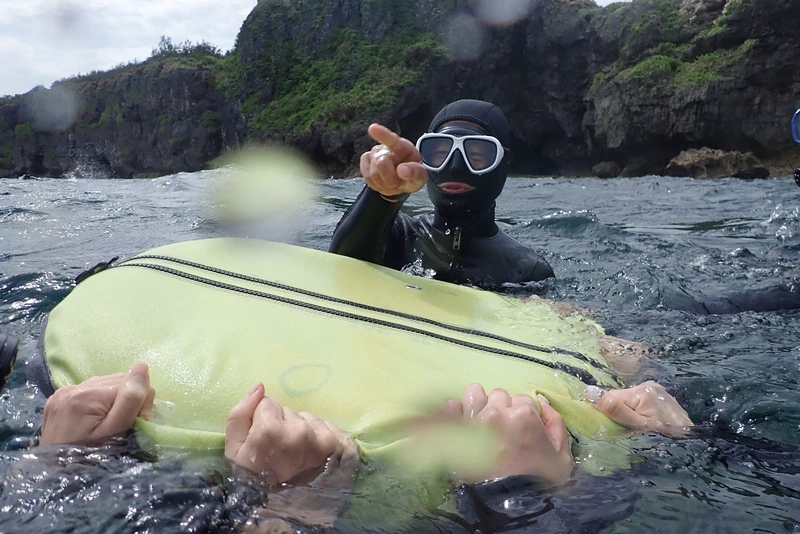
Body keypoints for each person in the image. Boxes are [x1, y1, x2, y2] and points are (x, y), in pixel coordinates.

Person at [329, 99, 554, 287]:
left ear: (502, 165)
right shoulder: (396, 236)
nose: (454, 166)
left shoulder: (526, 270)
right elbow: (342, 266)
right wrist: (382, 195)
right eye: (440, 153)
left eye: (476, 156)